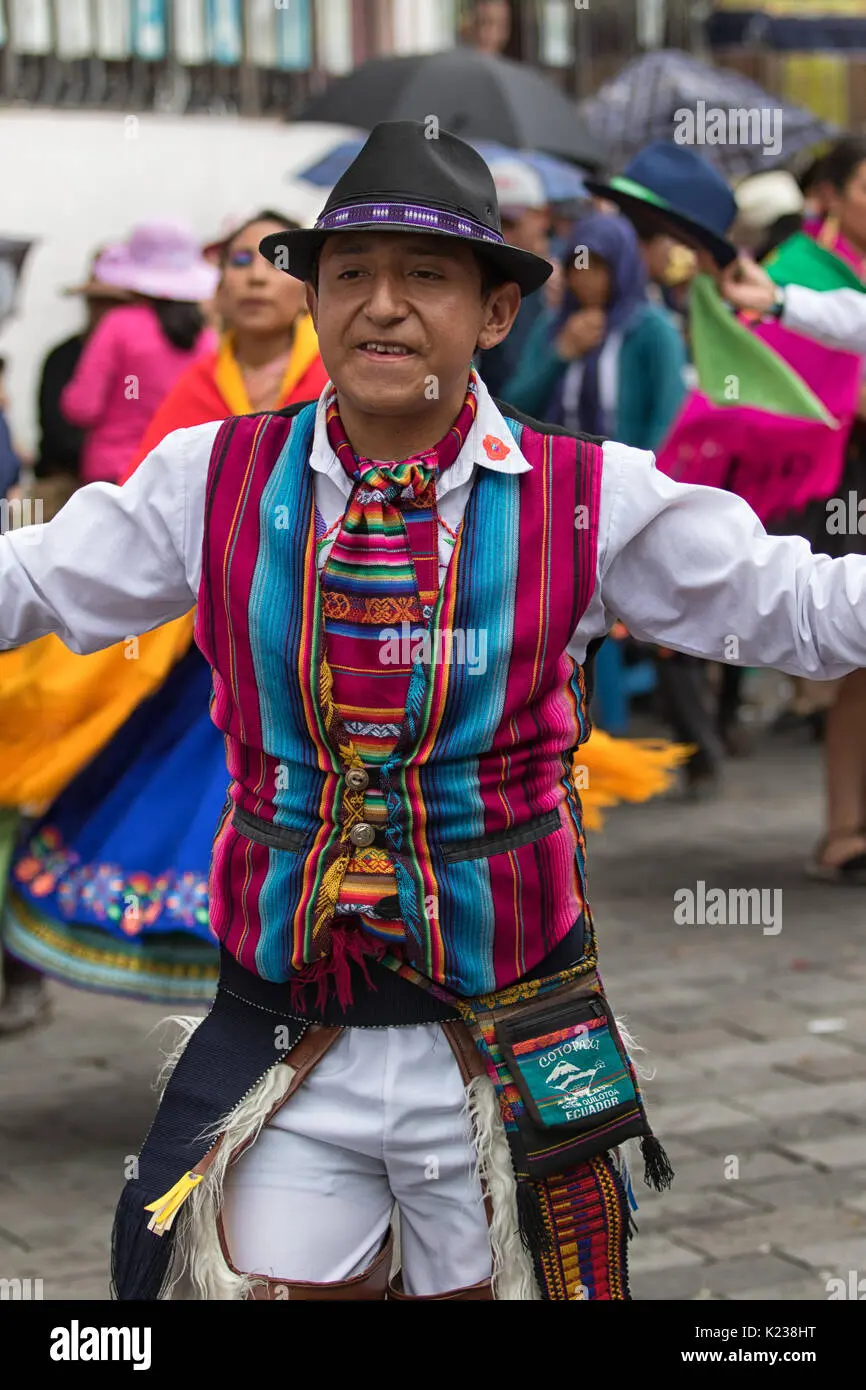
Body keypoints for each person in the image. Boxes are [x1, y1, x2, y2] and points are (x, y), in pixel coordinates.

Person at [6, 122, 866, 1303]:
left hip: (503, 1041)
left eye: (424, 275)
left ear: (493, 313)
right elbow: (34, 580)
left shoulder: (589, 500)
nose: (382, 306)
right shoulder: (213, 476)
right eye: (350, 273)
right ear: (315, 299)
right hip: (286, 1039)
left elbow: (809, 612)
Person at [128, 211, 329, 470]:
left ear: (308, 294)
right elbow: (145, 483)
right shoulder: (199, 384)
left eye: (279, 262)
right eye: (241, 260)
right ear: (219, 291)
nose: (257, 277)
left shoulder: (334, 380)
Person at [502, 211, 687, 448]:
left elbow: (669, 416)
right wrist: (561, 354)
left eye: (598, 266)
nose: (585, 278)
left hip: (627, 476)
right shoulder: (552, 326)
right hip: (558, 471)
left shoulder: (652, 330)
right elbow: (514, 409)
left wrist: (644, 476)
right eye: (577, 267)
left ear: (621, 267)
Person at [59, 222, 218, 484]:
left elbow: (82, 407)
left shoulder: (118, 324)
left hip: (113, 472)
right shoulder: (207, 338)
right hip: (181, 474)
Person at [34, 256, 132, 484]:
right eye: (96, 301)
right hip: (66, 477)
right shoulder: (62, 357)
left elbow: (132, 401)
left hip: (122, 476)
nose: (103, 311)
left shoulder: (133, 369)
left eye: (114, 304)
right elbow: (57, 427)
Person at [477, 161, 551, 399]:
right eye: (489, 222)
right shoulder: (472, 284)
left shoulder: (568, 287)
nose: (498, 234)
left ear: (541, 217)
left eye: (509, 223)